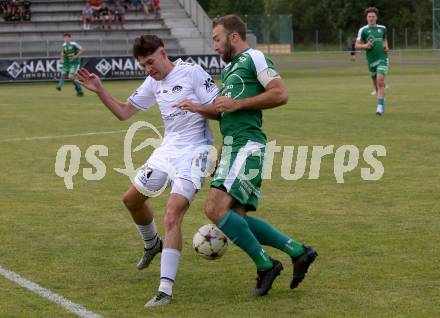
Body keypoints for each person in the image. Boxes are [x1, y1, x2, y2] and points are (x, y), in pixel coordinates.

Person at [177, 14, 318, 297]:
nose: (214, 46)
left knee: (214, 209)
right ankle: (297, 251)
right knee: (233, 215)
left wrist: (237, 103)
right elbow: (226, 112)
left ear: (234, 37)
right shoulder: (229, 70)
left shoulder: (255, 57)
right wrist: (196, 108)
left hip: (246, 144)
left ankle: (266, 265)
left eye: (216, 39)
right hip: (232, 145)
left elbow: (280, 94)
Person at [75, 34, 219, 307]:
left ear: (164, 53)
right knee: (131, 200)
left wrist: (198, 108)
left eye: (151, 62)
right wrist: (100, 90)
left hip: (196, 151)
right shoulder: (153, 82)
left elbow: (221, 110)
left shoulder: (192, 73)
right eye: (143, 65)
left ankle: (165, 290)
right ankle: (153, 244)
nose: (148, 69)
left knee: (172, 212)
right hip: (167, 150)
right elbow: (124, 112)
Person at [355, 7, 390, 115]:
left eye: (373, 16)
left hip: (383, 58)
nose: (371, 18)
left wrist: (386, 46)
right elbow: (356, 45)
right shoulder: (363, 30)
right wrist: (365, 45)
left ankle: (379, 107)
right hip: (371, 60)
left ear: (376, 17)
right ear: (366, 18)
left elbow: (384, 39)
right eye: (369, 16)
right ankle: (381, 99)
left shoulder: (382, 28)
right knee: (376, 84)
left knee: (380, 81)